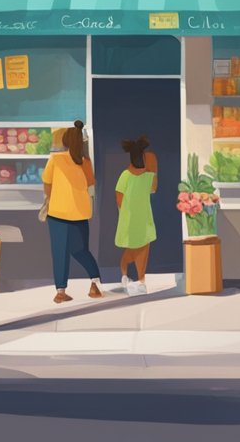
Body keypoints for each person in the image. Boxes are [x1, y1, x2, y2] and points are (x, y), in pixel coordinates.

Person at [42, 120, 103, 304]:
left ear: (65, 141)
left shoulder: (56, 159)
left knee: (59, 252)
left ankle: (61, 291)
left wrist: (53, 197)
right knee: (81, 251)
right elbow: (91, 184)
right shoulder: (85, 162)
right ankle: (95, 284)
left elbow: (47, 184)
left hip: (58, 213)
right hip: (80, 213)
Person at [114, 135, 157, 296]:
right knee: (141, 251)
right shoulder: (149, 177)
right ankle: (138, 279)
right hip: (143, 218)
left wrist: (125, 214)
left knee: (132, 251)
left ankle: (131, 277)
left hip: (131, 219)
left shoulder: (125, 175)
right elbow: (153, 189)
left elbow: (119, 199)